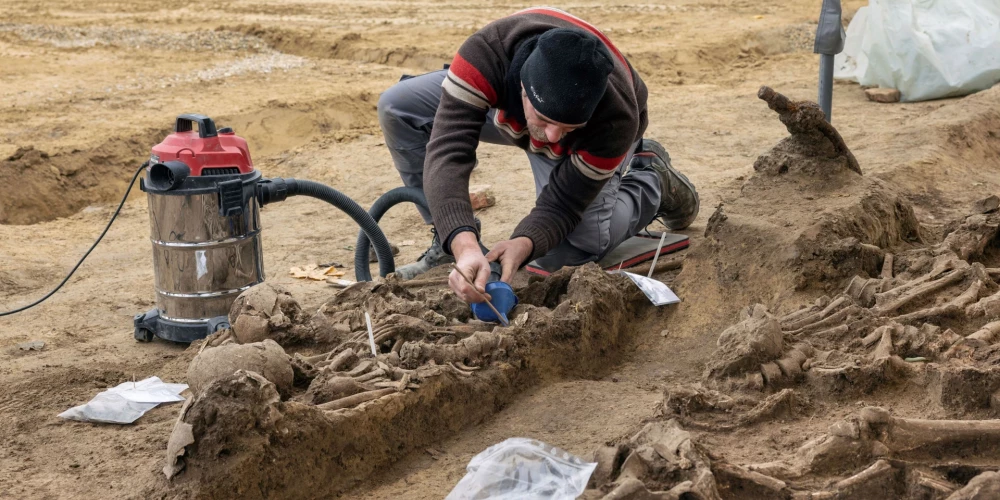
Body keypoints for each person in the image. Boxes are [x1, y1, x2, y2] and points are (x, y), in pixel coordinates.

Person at [377, 7, 699, 304]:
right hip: (507, 102)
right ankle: (447, 243)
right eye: (545, 120)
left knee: (571, 252)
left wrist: (524, 243)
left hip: (589, 140)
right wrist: (461, 240)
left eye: (567, 126)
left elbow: (563, 205)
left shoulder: (616, 119)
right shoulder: (485, 56)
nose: (553, 138)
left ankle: (652, 180)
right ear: (522, 88)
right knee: (398, 107)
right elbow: (448, 152)